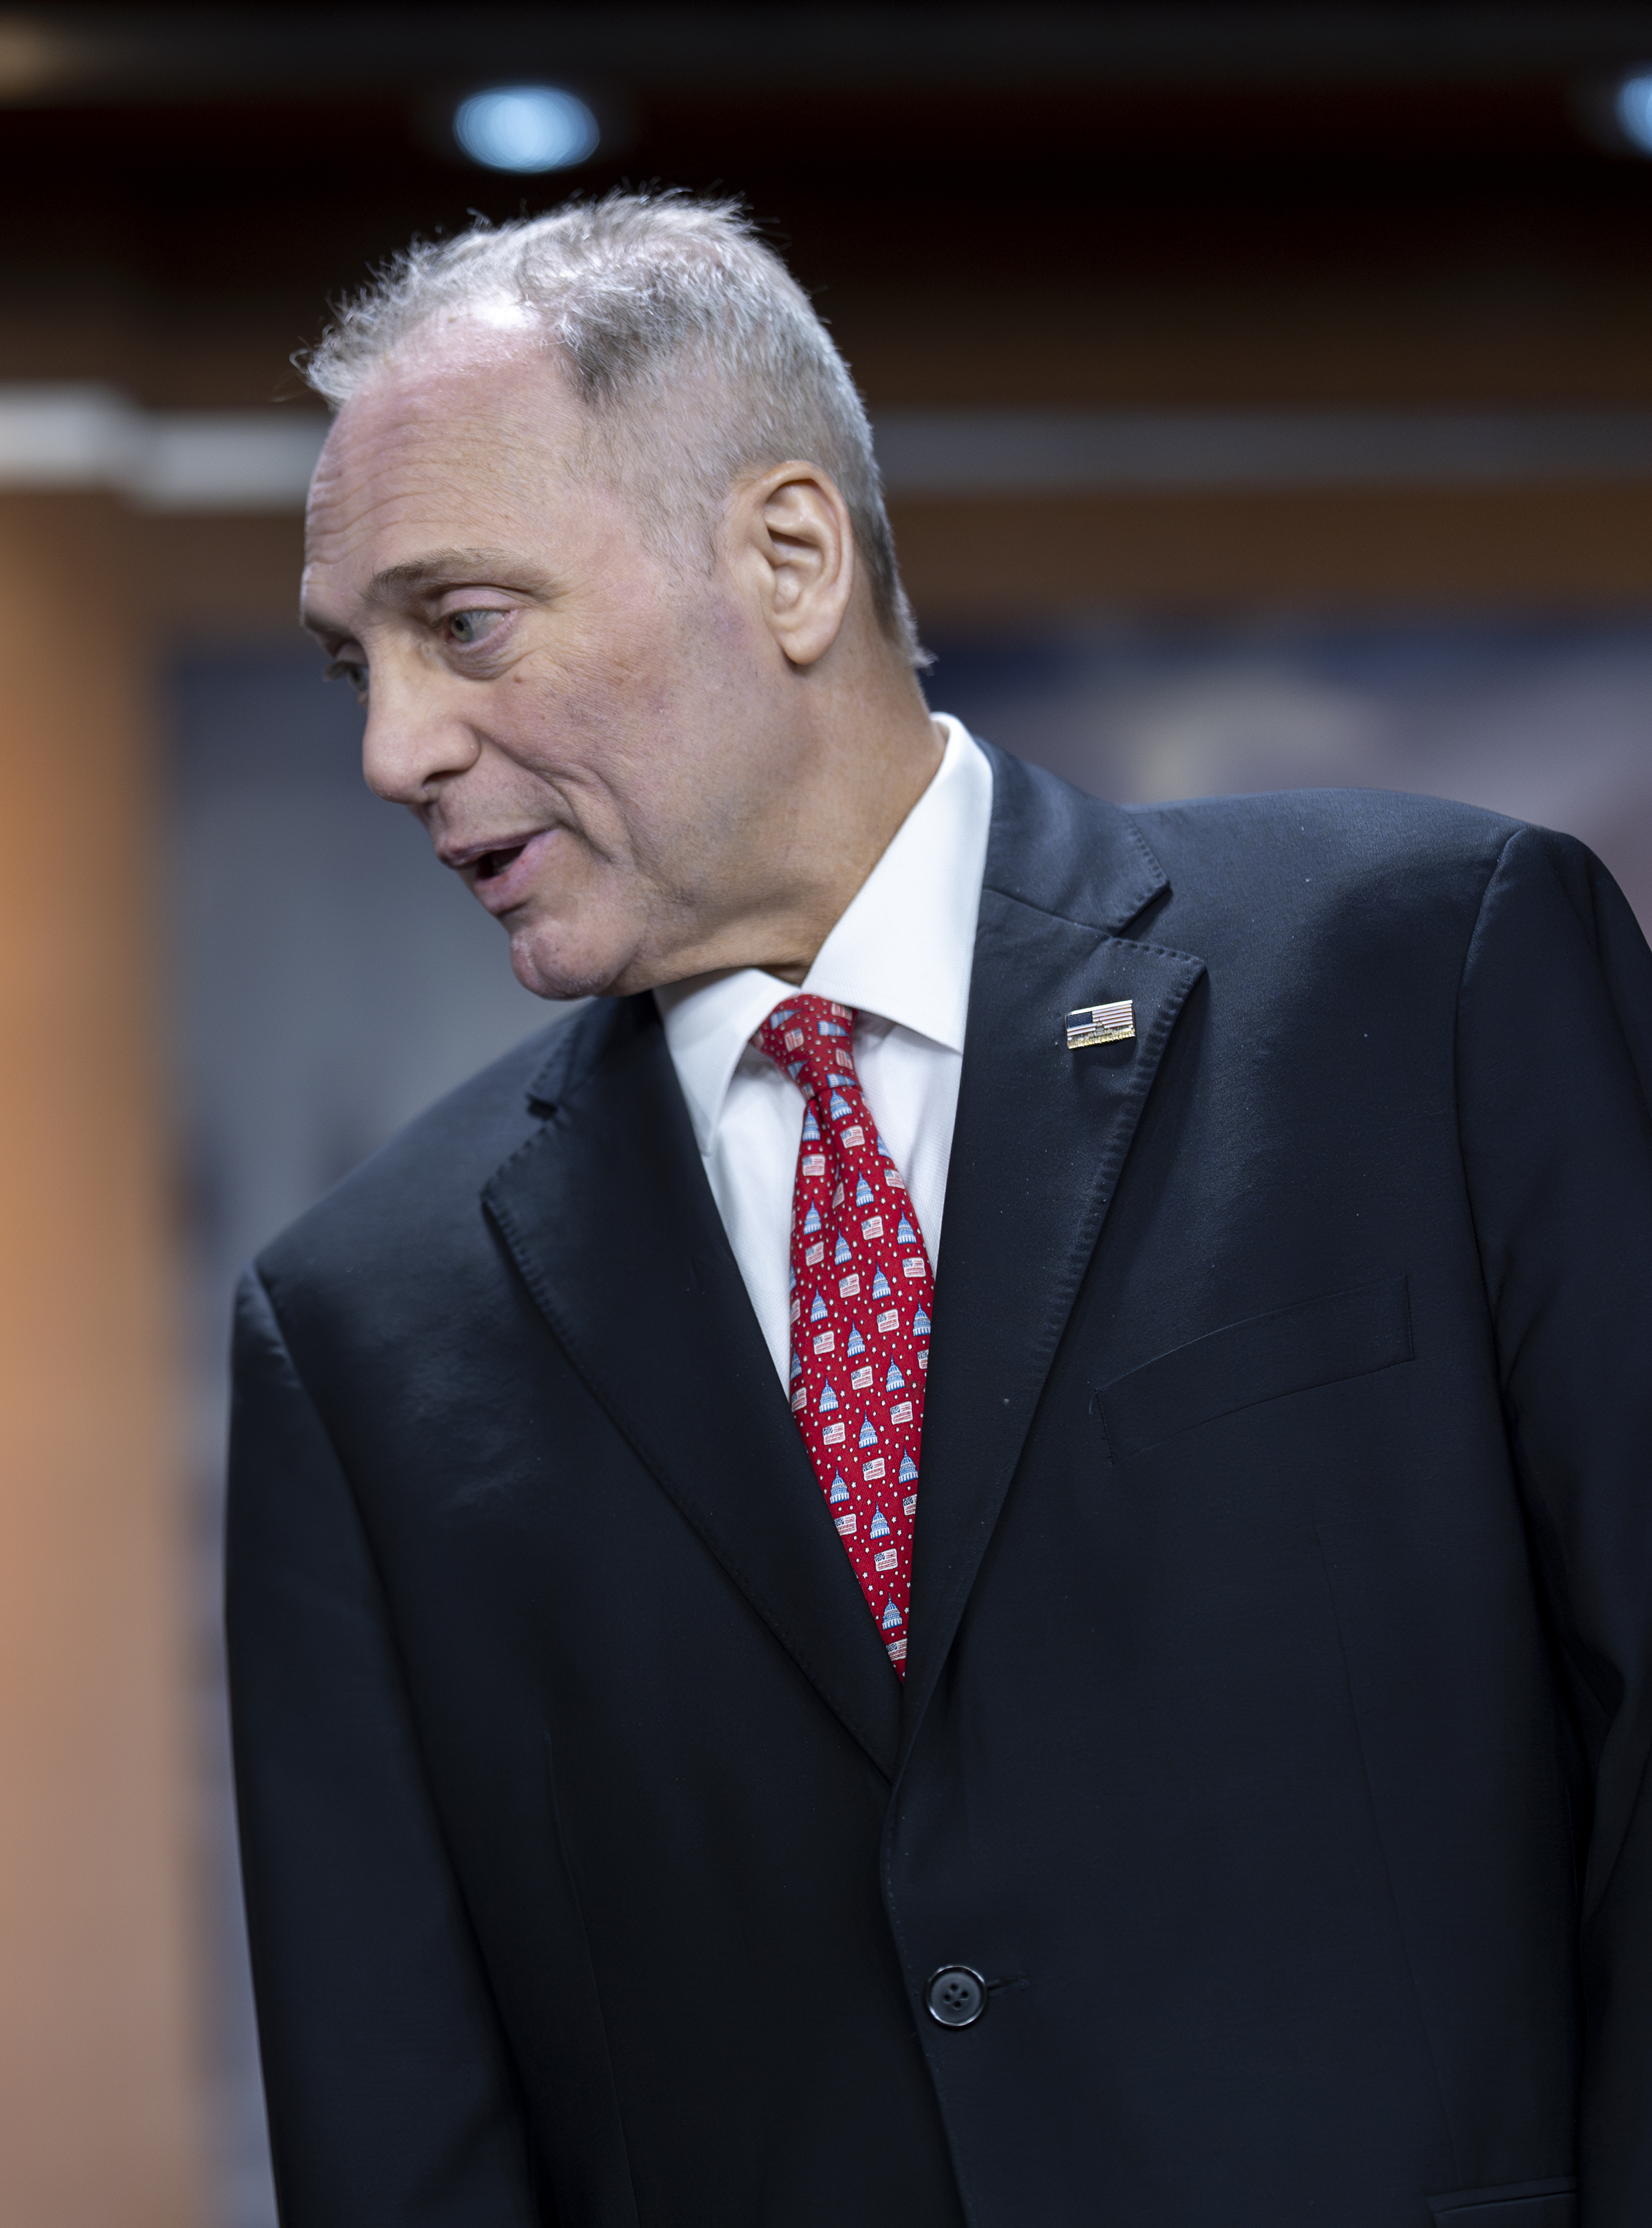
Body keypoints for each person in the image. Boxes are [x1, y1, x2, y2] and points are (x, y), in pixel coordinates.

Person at [230, 191, 1648, 2228]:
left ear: (789, 559)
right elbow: (399, 2123)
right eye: (351, 660)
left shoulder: (1424, 978)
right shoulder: (365, 1322)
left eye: (462, 626)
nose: (393, 746)